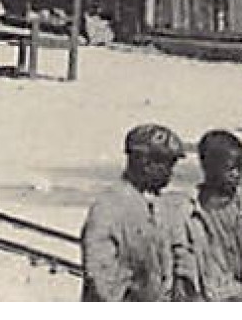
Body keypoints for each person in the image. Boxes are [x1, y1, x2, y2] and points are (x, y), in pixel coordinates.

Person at [171, 130, 242, 302]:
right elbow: (183, 266)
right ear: (208, 167)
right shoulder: (187, 212)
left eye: (240, 167)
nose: (236, 174)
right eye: (230, 168)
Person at [79, 123, 184, 302]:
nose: (170, 172)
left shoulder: (161, 207)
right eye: (164, 164)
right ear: (143, 162)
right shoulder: (109, 208)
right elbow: (102, 283)